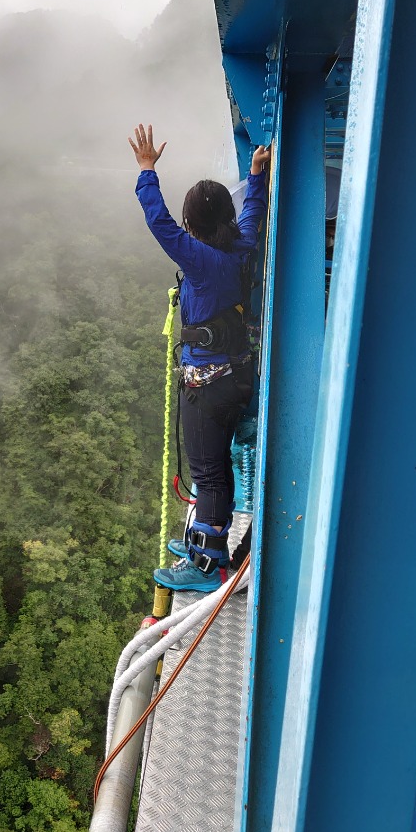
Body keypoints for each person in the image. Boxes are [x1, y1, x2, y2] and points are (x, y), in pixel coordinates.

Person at [129, 123, 269, 591]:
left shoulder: (201, 261)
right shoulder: (241, 247)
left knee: (209, 472)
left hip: (207, 384)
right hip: (235, 375)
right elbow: (254, 210)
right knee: (213, 468)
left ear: (193, 227)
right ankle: (201, 544)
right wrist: (258, 175)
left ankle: (208, 564)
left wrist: (147, 170)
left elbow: (159, 223)